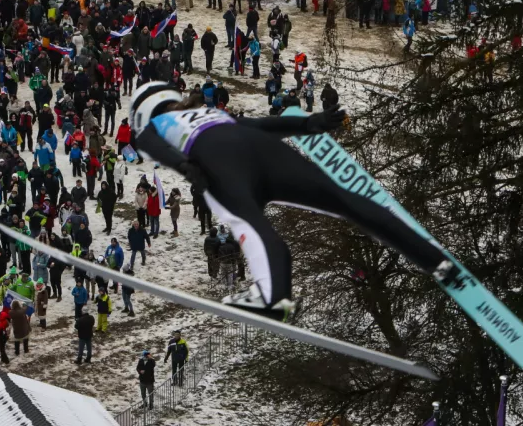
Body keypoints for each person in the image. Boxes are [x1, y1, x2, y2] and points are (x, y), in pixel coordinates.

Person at [129, 81, 458, 319]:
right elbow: (263, 126)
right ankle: (433, 258)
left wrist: (186, 167)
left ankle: (274, 297)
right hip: (263, 149)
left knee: (251, 224)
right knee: (343, 199)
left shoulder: (156, 124)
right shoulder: (212, 111)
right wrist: (310, 123)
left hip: (220, 160)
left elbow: (149, 142)